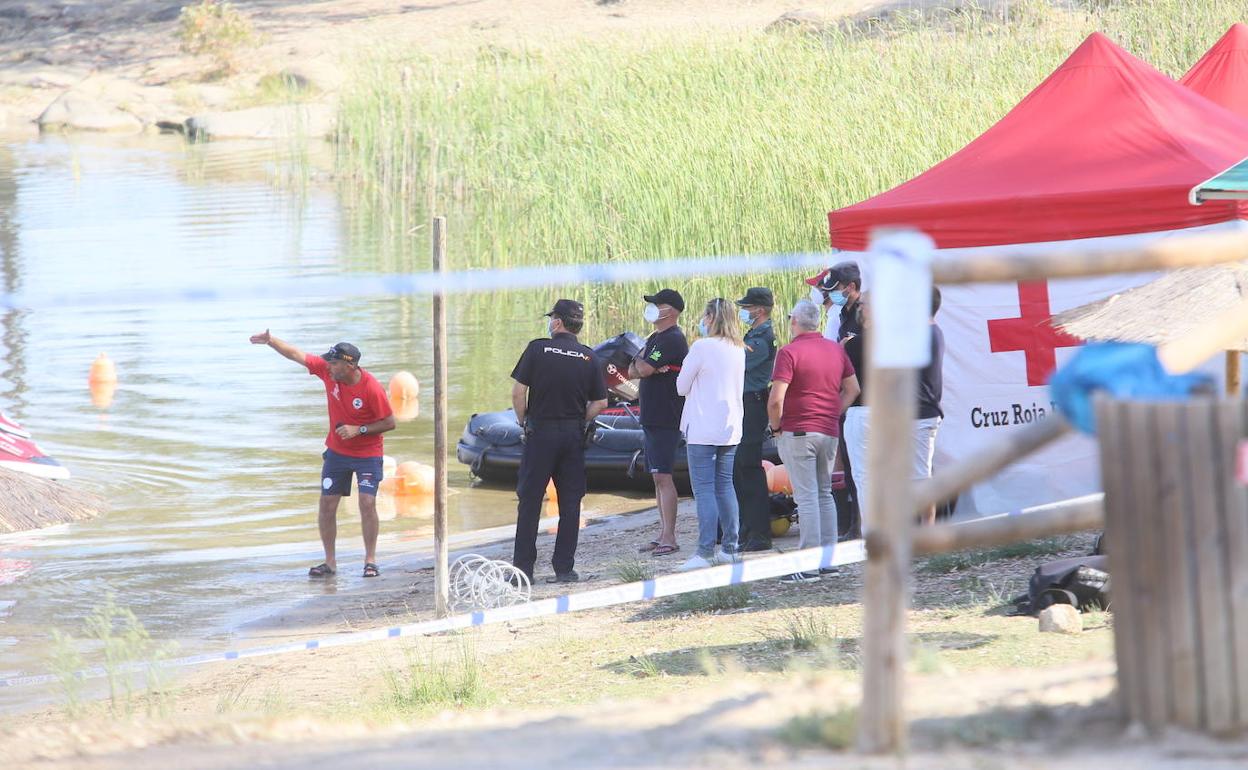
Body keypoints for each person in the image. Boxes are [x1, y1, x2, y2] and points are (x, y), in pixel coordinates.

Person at [249, 332, 396, 578]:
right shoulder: (328, 373)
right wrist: (271, 341)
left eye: (335, 362)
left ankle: (370, 560)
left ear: (350, 366)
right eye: (329, 361)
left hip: (368, 454)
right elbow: (297, 355)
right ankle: (330, 562)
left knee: (367, 503)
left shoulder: (371, 388)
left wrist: (358, 430)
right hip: (337, 453)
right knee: (327, 505)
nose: (329, 366)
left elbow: (390, 422)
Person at [510, 300, 608, 583]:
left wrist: (522, 421)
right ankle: (564, 568)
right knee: (570, 503)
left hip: (540, 433)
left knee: (529, 501)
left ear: (557, 323)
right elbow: (600, 402)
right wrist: (580, 420)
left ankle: (523, 571)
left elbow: (518, 393)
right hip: (572, 436)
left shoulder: (537, 348)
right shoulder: (589, 357)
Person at [767, 301, 860, 584]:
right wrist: (833, 413)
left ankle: (807, 565)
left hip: (797, 430)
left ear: (794, 321)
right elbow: (853, 389)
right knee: (823, 493)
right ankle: (829, 561)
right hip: (828, 430)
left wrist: (776, 427)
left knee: (806, 496)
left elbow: (776, 399)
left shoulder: (788, 352)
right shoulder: (835, 349)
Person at [843, 286, 945, 529]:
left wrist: (852, 343)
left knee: (920, 477)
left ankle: (927, 530)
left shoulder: (924, 333)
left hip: (921, 414)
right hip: (909, 414)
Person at [675, 298, 746, 571]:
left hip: (703, 428)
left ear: (711, 318)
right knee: (725, 486)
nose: (702, 320)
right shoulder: (738, 348)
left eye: (705, 316)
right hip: (730, 426)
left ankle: (705, 551)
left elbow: (681, 386)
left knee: (703, 489)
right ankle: (730, 546)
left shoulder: (702, 346)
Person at [629, 288, 688, 557]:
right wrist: (642, 363)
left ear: (671, 310)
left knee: (664, 475)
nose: (652, 308)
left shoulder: (672, 338)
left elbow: (643, 369)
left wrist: (644, 365)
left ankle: (670, 536)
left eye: (657, 304)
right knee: (656, 476)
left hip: (666, 415)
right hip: (652, 414)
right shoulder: (655, 337)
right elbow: (633, 369)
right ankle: (662, 531)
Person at [733, 287, 778, 552]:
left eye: (748, 308)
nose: (745, 313)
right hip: (745, 403)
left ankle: (759, 533)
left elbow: (738, 362)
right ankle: (748, 528)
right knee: (741, 467)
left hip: (753, 403)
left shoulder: (762, 339)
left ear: (759, 310)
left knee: (749, 467)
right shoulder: (754, 335)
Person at [805, 261, 863, 343]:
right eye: (829, 290)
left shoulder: (864, 313)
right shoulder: (843, 313)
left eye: (835, 289)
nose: (830, 293)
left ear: (851, 287)